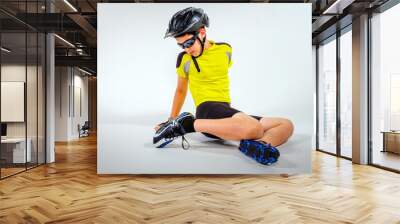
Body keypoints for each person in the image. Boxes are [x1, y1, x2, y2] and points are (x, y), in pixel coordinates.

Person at [153, 7, 294, 165]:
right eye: (181, 45)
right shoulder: (184, 60)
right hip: (206, 110)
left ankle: (257, 146)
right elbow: (180, 90)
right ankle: (186, 124)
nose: (186, 49)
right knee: (255, 128)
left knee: (286, 125)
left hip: (225, 112)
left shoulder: (225, 50)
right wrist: (170, 120)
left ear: (202, 32)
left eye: (189, 42)